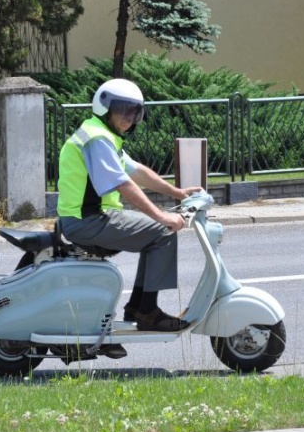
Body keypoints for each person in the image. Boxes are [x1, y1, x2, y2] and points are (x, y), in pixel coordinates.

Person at [58, 79, 201, 333]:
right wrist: (161, 216)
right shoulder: (97, 139)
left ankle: (139, 307)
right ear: (104, 107)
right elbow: (124, 184)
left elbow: (138, 172)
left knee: (155, 232)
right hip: (89, 221)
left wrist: (177, 192)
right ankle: (147, 312)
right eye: (122, 109)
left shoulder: (102, 134)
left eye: (135, 111)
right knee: (163, 232)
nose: (129, 117)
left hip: (88, 219)